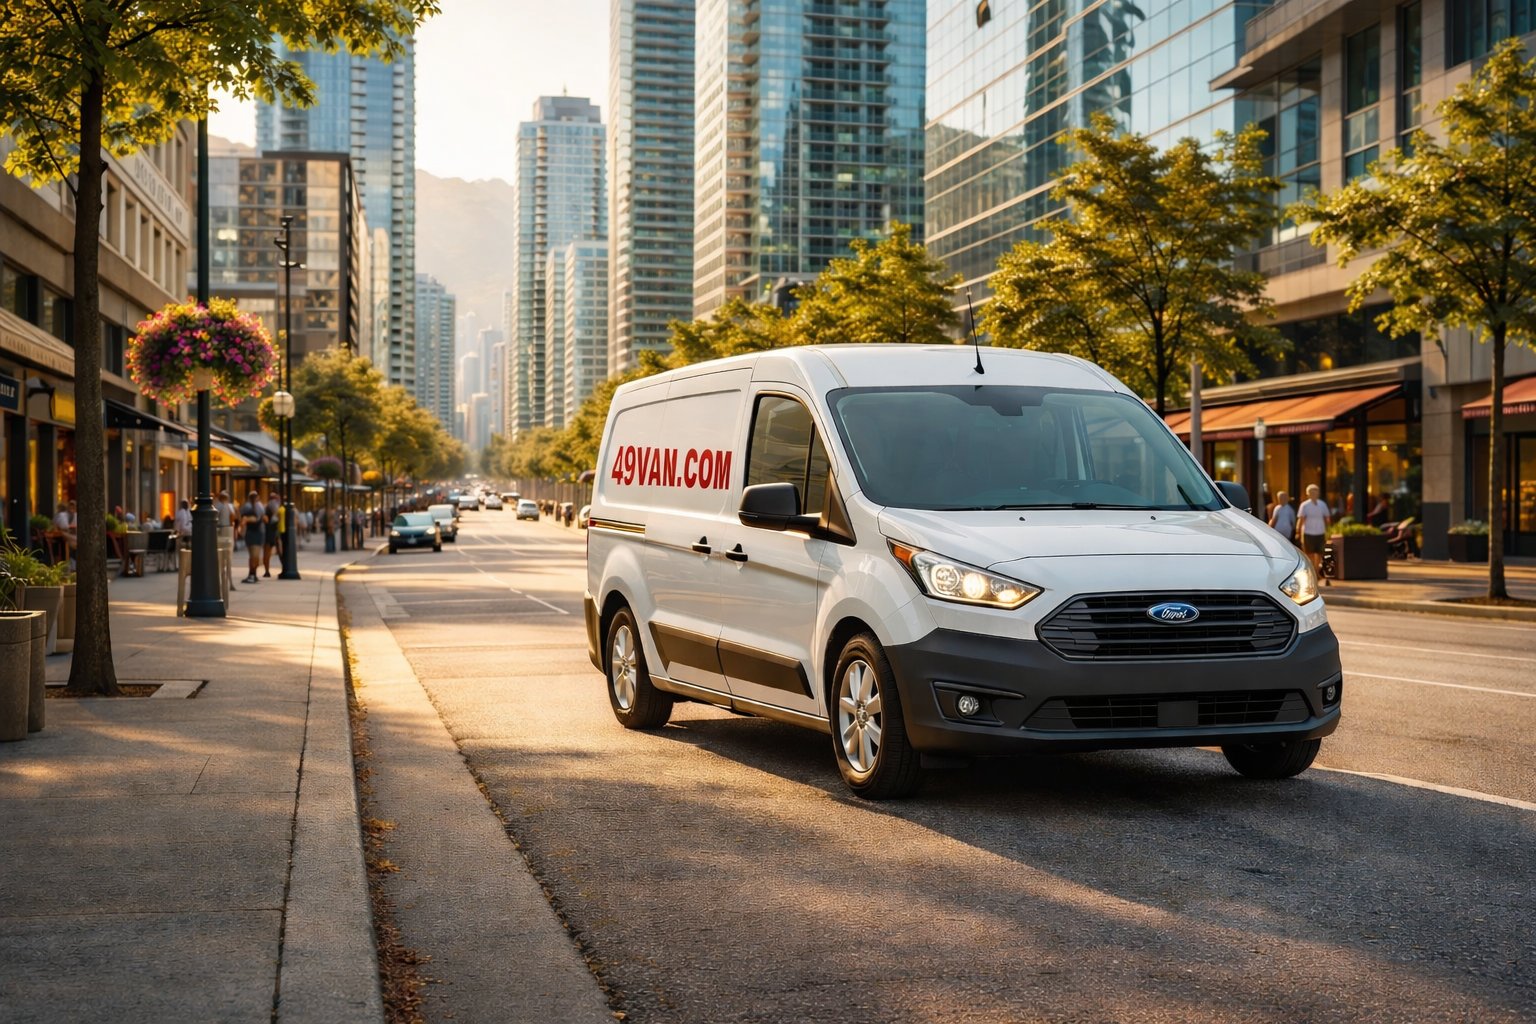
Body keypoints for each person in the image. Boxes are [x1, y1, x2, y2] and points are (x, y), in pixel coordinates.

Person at [1297, 484, 1331, 585]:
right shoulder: (1305, 505)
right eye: (1311, 492)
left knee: (1319, 553)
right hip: (1308, 532)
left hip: (1320, 531)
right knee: (1309, 553)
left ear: (1318, 493)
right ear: (1308, 494)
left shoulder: (1322, 505)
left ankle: (1316, 572)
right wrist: (1298, 531)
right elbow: (1301, 519)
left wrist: (1329, 530)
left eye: (1315, 492)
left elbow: (1327, 518)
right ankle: (1312, 573)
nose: (1313, 494)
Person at [239, 489, 266, 583]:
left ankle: (252, 574)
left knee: (253, 555)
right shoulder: (260, 506)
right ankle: (253, 574)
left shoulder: (246, 507)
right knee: (255, 555)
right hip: (257, 532)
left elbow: (243, 519)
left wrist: (242, 529)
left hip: (251, 532)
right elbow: (262, 518)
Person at [263, 491, 281, 577]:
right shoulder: (273, 504)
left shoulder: (268, 505)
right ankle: (267, 571)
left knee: (268, 551)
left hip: (270, 530)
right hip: (271, 530)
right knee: (269, 551)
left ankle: (267, 571)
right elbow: (278, 513)